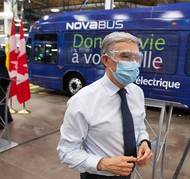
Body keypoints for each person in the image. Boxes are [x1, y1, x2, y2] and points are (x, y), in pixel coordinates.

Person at [57, 32, 153, 179]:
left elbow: (139, 127)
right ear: (106, 60)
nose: (133, 64)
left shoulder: (137, 93)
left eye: (136, 58)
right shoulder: (82, 101)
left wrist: (143, 142)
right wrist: (101, 163)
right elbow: (66, 151)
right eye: (125, 56)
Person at [0, 50, 13, 129]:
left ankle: (1, 122)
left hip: (2, 79)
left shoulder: (1, 53)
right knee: (2, 101)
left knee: (1, 101)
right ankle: (7, 118)